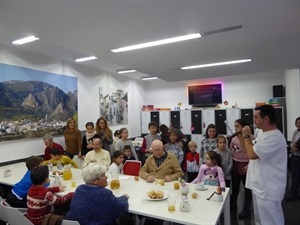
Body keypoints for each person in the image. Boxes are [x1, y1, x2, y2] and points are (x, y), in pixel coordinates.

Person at [241, 105, 287, 225]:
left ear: (266, 118)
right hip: (259, 186)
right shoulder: (261, 132)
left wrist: (246, 135)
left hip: (269, 188)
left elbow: (252, 154)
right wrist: (242, 135)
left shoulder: (274, 137)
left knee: (271, 221)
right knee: (259, 219)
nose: (253, 120)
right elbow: (250, 148)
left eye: (256, 117)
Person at [230, 119, 253, 219]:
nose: (236, 129)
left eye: (238, 126)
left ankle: (247, 209)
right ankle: (233, 205)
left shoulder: (251, 138)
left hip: (246, 165)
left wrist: (249, 165)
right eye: (235, 126)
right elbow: (231, 151)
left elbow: (253, 153)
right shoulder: (234, 139)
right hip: (235, 165)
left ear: (244, 127)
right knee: (235, 187)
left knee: (247, 188)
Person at [286, 116, 300, 201]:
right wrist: (293, 147)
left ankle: (294, 194)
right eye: (297, 123)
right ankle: (293, 194)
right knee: (295, 175)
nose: (298, 124)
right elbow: (292, 143)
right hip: (295, 156)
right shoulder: (295, 132)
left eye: (299, 123)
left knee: (297, 176)